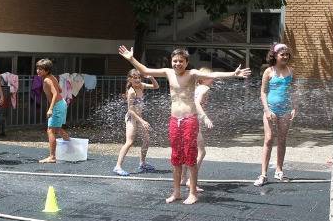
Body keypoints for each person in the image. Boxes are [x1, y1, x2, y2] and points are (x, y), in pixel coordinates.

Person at [119, 46, 251, 204]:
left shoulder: (192, 74)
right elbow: (146, 70)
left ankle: (193, 193)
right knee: (175, 157)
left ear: (186, 62)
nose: (177, 64)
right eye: (175, 61)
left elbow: (213, 74)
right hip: (175, 120)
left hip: (189, 119)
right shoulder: (168, 72)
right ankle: (176, 192)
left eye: (181, 61)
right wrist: (130, 59)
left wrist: (233, 74)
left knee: (190, 156)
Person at [254, 43, 297, 186]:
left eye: (287, 54)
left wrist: (294, 107)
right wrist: (266, 110)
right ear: (275, 56)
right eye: (282, 54)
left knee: (282, 140)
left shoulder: (291, 71)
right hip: (271, 109)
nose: (285, 57)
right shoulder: (269, 71)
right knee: (268, 139)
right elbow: (263, 91)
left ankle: (279, 171)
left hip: (285, 110)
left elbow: (294, 91)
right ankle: (263, 174)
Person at [113, 69, 159, 176]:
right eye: (135, 78)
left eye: (139, 77)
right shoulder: (131, 92)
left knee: (147, 140)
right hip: (132, 119)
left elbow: (156, 86)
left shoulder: (141, 86)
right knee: (129, 142)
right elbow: (130, 110)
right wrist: (142, 121)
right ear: (130, 79)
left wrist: (151, 77)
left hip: (139, 118)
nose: (137, 79)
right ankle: (118, 166)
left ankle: (142, 163)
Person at [180, 68, 214, 191]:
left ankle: (183, 178)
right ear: (203, 78)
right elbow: (197, 103)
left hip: (184, 119)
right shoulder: (205, 88)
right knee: (201, 152)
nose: (213, 78)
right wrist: (205, 118)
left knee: (187, 150)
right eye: (210, 76)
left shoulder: (195, 87)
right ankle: (190, 180)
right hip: (193, 121)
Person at [36, 58, 70, 163]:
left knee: (50, 130)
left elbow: (55, 93)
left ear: (47, 70)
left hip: (57, 106)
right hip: (61, 104)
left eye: (41, 69)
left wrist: (50, 109)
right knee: (58, 129)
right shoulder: (52, 77)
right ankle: (71, 148)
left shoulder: (47, 79)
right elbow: (59, 89)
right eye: (37, 68)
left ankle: (52, 157)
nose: (38, 71)